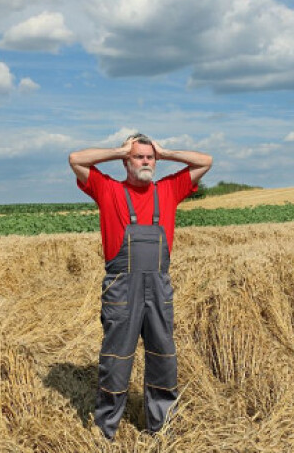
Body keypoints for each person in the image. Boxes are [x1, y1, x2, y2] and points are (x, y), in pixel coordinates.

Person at [68, 133, 212, 439]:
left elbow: (205, 162)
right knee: (116, 359)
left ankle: (162, 426)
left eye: (149, 158)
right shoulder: (108, 189)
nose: (145, 162)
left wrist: (165, 151)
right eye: (138, 157)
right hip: (122, 289)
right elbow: (75, 159)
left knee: (163, 356)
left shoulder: (168, 189)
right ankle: (105, 429)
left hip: (159, 288)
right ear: (126, 161)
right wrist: (119, 149)